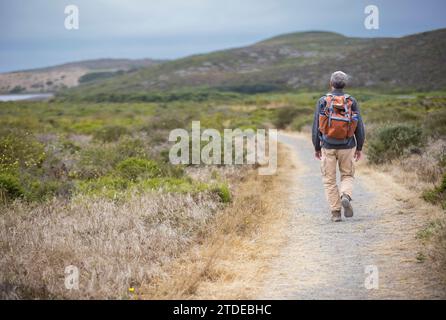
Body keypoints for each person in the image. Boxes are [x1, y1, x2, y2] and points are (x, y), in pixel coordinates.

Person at [312, 71, 365, 222]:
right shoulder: (351, 101)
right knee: (347, 175)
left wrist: (317, 147)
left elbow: (316, 125)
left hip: (328, 146)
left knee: (329, 180)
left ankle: (335, 213)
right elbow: (359, 126)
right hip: (348, 145)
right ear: (345, 84)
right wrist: (359, 147)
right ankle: (346, 195)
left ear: (331, 83)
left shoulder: (323, 100)